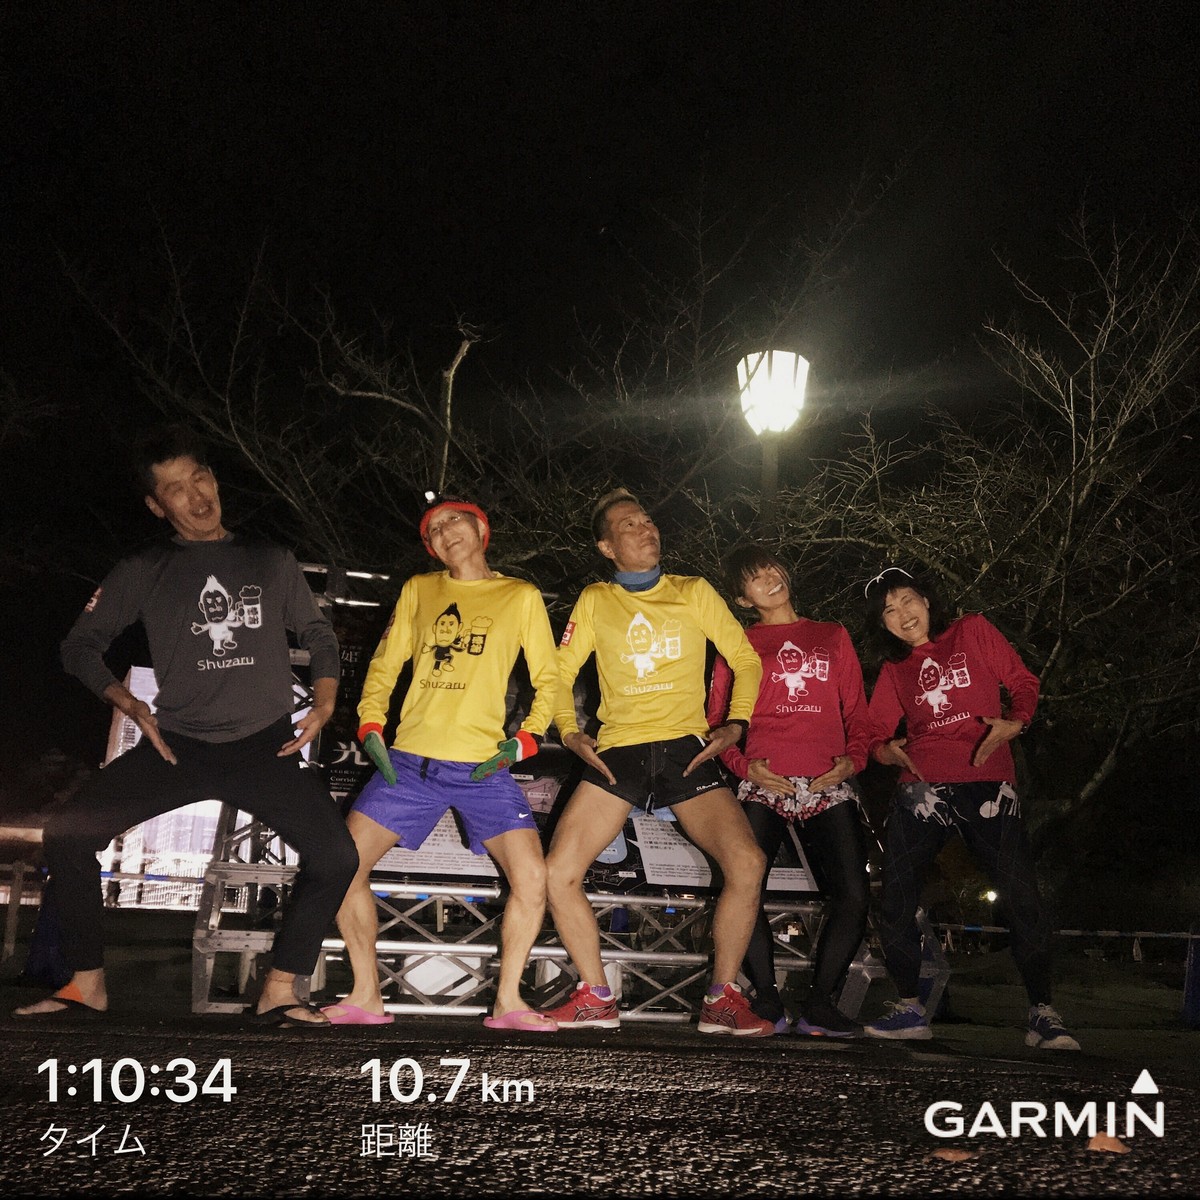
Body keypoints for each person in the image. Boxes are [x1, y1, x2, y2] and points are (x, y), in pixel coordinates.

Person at [15, 426, 358, 1026]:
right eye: (176, 488)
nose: (196, 496)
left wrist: (325, 703)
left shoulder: (269, 560)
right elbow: (79, 646)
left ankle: (280, 989)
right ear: (157, 506)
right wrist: (128, 702)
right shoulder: (145, 568)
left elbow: (318, 634)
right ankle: (87, 985)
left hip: (265, 748)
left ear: (214, 480)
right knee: (67, 834)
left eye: (199, 478)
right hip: (177, 747)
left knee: (336, 856)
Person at [544, 489, 774, 1035]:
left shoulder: (693, 591)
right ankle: (596, 995)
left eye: (648, 521)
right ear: (607, 546)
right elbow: (557, 671)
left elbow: (745, 659)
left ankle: (722, 998)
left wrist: (736, 723)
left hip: (683, 749)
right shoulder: (596, 600)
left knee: (748, 863)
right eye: (629, 525)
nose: (646, 529)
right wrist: (569, 731)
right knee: (557, 872)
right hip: (619, 750)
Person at [327, 496, 561, 1031]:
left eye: (454, 520)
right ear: (431, 548)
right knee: (341, 864)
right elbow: (385, 662)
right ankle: (365, 994)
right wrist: (370, 724)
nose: (444, 530)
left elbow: (549, 678)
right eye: (433, 529)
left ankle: (508, 1001)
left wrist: (526, 739)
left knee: (532, 876)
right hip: (410, 764)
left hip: (483, 768)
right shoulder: (419, 589)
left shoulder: (520, 595)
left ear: (481, 529)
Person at [860, 566, 1079, 1050]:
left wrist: (1017, 722)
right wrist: (885, 752)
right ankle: (909, 1007)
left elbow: (1022, 680)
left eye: (907, 600)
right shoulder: (895, 669)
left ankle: (1043, 1013)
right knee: (895, 897)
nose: (902, 614)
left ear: (927, 600)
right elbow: (873, 734)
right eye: (889, 611)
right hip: (922, 789)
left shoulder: (972, 630)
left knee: (1021, 895)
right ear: (882, 624)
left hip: (987, 781)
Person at [706, 544, 872, 1037]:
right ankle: (767, 999)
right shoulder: (738, 644)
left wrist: (853, 760)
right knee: (743, 886)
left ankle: (820, 1004)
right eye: (755, 577)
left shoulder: (831, 635)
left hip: (826, 781)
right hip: (765, 782)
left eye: (771, 568)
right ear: (742, 599)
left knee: (854, 893)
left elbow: (857, 712)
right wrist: (744, 767)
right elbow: (715, 722)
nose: (770, 578)